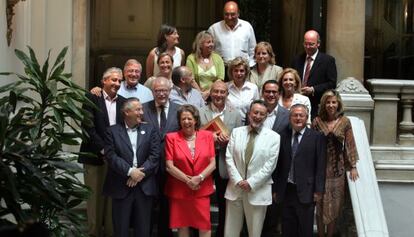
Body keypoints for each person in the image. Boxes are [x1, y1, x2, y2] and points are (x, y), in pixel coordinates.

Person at [78, 67, 127, 237]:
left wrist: (116, 153)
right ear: (104, 81)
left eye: (119, 81)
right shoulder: (92, 97)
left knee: (113, 200)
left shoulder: (124, 103)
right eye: (113, 80)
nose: (116, 83)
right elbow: (88, 127)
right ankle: (94, 234)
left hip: (116, 159)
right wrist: (104, 150)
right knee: (95, 199)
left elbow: (125, 131)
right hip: (94, 156)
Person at [103, 98, 160, 237]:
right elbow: (111, 156)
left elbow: (155, 155)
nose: (142, 112)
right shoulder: (112, 131)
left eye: (141, 109)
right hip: (121, 185)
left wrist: (139, 174)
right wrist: (130, 172)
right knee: (120, 229)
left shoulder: (151, 130)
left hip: (144, 186)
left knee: (143, 229)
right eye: (138, 109)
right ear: (127, 112)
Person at [224, 100, 280, 237]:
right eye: (255, 112)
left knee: (255, 233)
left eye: (262, 114)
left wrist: (250, 182)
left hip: (257, 190)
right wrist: (238, 180)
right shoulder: (236, 133)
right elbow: (229, 158)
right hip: (235, 188)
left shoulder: (274, 137)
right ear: (249, 114)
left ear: (266, 117)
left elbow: (270, 165)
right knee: (230, 232)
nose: (258, 116)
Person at [273, 104, 327, 237]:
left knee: (305, 229)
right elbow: (277, 165)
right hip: (286, 189)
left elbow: (320, 166)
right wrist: (275, 189)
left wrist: (318, 190)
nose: (298, 118)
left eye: (301, 115)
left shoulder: (317, 137)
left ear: (306, 118)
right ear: (290, 118)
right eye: (294, 115)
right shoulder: (281, 136)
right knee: (287, 227)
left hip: (307, 191)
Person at [312, 90, 359, 237]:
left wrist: (353, 166)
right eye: (328, 102)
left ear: (338, 103)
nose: (331, 105)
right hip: (319, 170)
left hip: (337, 171)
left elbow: (350, 144)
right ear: (324, 104)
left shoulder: (345, 122)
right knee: (319, 206)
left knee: (334, 206)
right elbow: (311, 146)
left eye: (333, 102)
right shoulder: (317, 121)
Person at [199, 80, 243, 237]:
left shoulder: (235, 114)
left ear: (227, 94)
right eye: (215, 91)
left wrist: (228, 140)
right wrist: (210, 136)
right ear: (210, 93)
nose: (218, 95)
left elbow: (239, 139)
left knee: (225, 201)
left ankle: (221, 232)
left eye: (222, 92)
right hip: (204, 162)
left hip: (225, 161)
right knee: (200, 199)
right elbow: (193, 136)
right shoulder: (200, 111)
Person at [164, 104, 216, 237]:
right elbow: (169, 166)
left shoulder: (207, 136)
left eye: (189, 118)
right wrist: (188, 180)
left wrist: (199, 177)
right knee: (182, 225)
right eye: (183, 119)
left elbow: (213, 163)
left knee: (204, 225)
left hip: (201, 188)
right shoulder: (171, 137)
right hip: (180, 190)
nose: (186, 122)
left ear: (195, 120)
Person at [142, 76, 180, 237]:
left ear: (170, 91)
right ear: (152, 92)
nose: (161, 94)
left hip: (171, 165)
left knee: (167, 203)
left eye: (164, 90)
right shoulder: (143, 108)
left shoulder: (179, 110)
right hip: (148, 164)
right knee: (147, 203)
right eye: (157, 91)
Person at [259, 80, 289, 237]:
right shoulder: (255, 112)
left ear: (279, 94)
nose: (271, 94)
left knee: (272, 213)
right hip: (255, 169)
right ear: (262, 93)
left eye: (274, 92)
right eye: (268, 91)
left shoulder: (287, 115)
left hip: (277, 171)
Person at [291, 30, 337, 119]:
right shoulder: (297, 60)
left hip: (317, 106)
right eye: (305, 44)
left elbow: (332, 83)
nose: (308, 47)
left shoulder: (327, 61)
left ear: (318, 44)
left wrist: (313, 89)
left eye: (311, 44)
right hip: (297, 104)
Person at [208, 1, 256, 68]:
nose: (229, 17)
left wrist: (249, 66)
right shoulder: (214, 29)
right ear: (223, 14)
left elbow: (253, 50)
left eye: (232, 14)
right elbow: (208, 51)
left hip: (242, 70)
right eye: (226, 14)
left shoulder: (247, 27)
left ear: (238, 13)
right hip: (221, 70)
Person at [186, 31, 225, 100]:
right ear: (200, 44)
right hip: (196, 94)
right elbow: (191, 79)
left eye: (212, 42)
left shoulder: (218, 58)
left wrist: (208, 92)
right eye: (208, 42)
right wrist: (200, 94)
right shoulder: (191, 58)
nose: (211, 44)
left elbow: (220, 78)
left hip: (215, 95)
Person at [226, 57, 259, 123]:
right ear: (231, 72)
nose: (239, 73)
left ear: (246, 72)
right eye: (236, 70)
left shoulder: (253, 88)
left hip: (247, 124)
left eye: (241, 71)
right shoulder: (226, 87)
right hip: (228, 124)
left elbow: (257, 108)